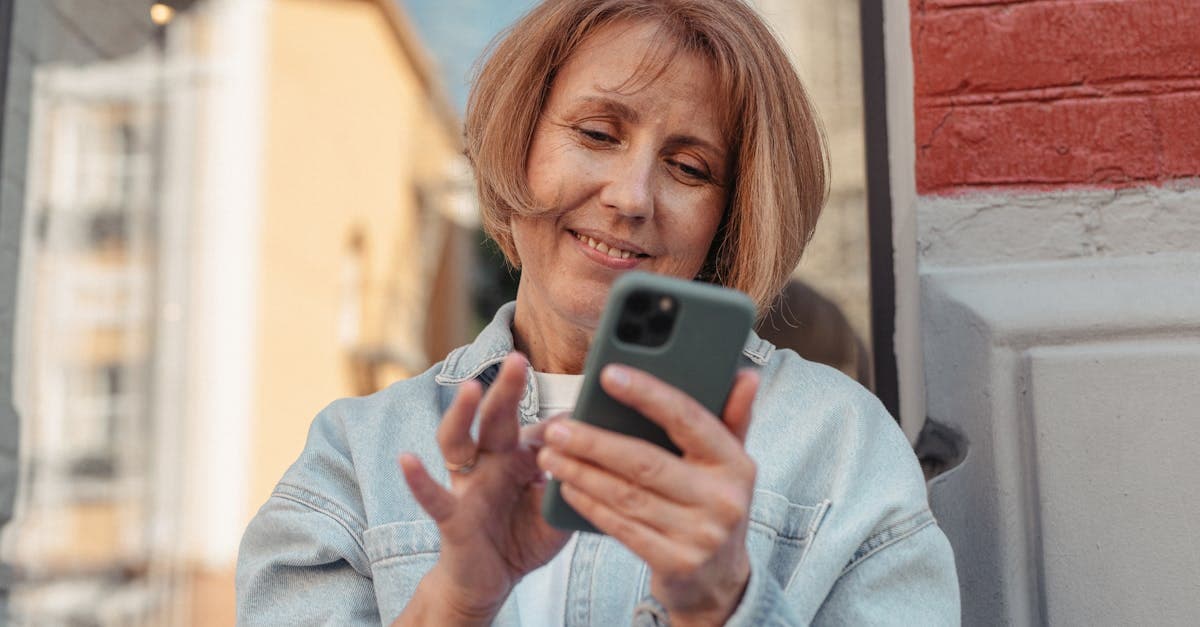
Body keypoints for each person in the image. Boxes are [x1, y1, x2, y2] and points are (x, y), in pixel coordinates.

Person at [236, 0, 960, 624]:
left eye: (689, 167)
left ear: (730, 216)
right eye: (597, 134)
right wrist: (454, 603)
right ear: (520, 147)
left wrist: (723, 603)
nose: (631, 195)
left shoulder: (840, 448)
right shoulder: (356, 459)